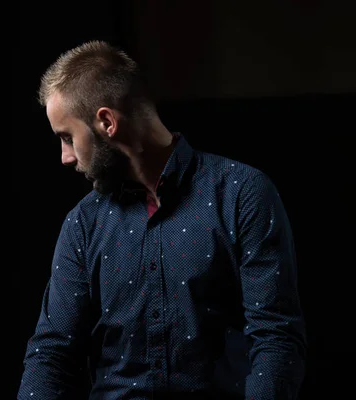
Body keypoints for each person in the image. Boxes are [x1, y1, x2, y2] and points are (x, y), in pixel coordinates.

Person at [17, 41, 306, 400]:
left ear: (107, 122)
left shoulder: (242, 194)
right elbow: (52, 355)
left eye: (67, 137)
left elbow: (276, 339)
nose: (65, 157)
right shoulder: (83, 225)